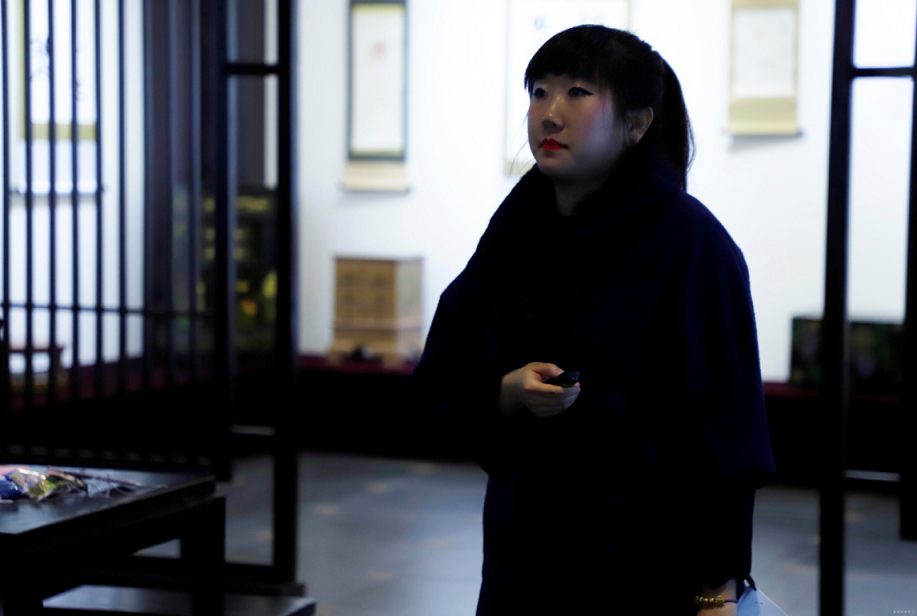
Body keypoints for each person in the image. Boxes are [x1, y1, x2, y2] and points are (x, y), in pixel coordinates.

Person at [412, 25, 776, 615]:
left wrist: (716, 590)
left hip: (646, 564)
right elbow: (443, 375)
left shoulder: (692, 243)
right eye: (538, 92)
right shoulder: (516, 231)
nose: (549, 114)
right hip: (525, 557)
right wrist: (506, 392)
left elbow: (726, 433)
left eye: (577, 92)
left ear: (637, 123)